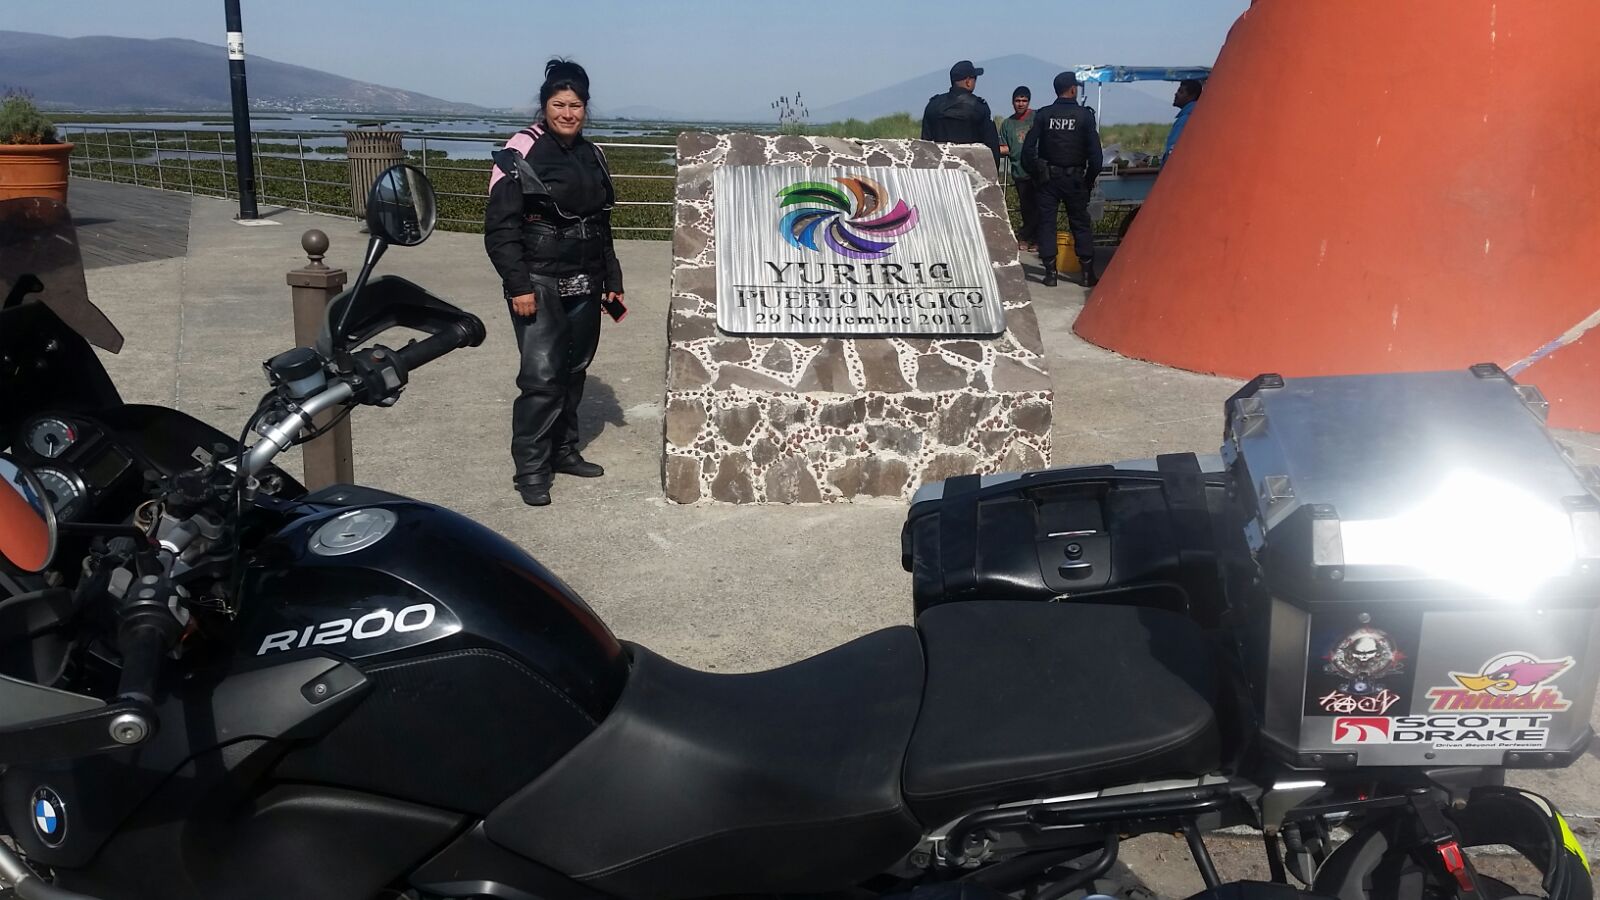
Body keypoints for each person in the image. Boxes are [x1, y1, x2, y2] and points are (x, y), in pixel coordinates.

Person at [484, 58, 625, 507]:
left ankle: (563, 451)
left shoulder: (592, 154)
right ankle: (530, 468)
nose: (567, 113)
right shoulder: (519, 150)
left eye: (576, 105)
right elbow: (501, 229)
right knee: (543, 377)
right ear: (544, 105)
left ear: (586, 108)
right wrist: (518, 285)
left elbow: (601, 224)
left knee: (574, 369)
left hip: (587, 278)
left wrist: (612, 280)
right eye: (559, 104)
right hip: (539, 279)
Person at [1021, 71, 1103, 287]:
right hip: (1075, 179)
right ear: (1073, 89)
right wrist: (1089, 179)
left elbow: (1027, 149)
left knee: (1047, 224)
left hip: (1048, 179)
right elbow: (1096, 156)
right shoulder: (1084, 116)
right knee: (1080, 224)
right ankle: (1086, 274)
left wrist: (1037, 173)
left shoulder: (1044, 115)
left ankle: (1050, 274)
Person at [921, 60, 1001, 170]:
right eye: (974, 79)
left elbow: (925, 146)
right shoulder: (979, 107)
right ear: (968, 81)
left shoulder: (933, 106)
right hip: (971, 174)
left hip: (940, 173)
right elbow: (992, 148)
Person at [998, 86, 1037, 252]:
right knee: (1026, 208)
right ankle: (1026, 237)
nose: (1020, 104)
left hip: (1038, 171)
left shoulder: (1037, 118)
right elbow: (1004, 147)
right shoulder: (1007, 124)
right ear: (1012, 102)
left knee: (1041, 207)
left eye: (1024, 100)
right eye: (1017, 100)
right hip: (1019, 171)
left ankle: (1036, 238)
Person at [1162, 79, 1203, 163]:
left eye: (1181, 92)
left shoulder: (1184, 121)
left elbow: (1172, 152)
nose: (1176, 94)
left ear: (1192, 96)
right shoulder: (1198, 116)